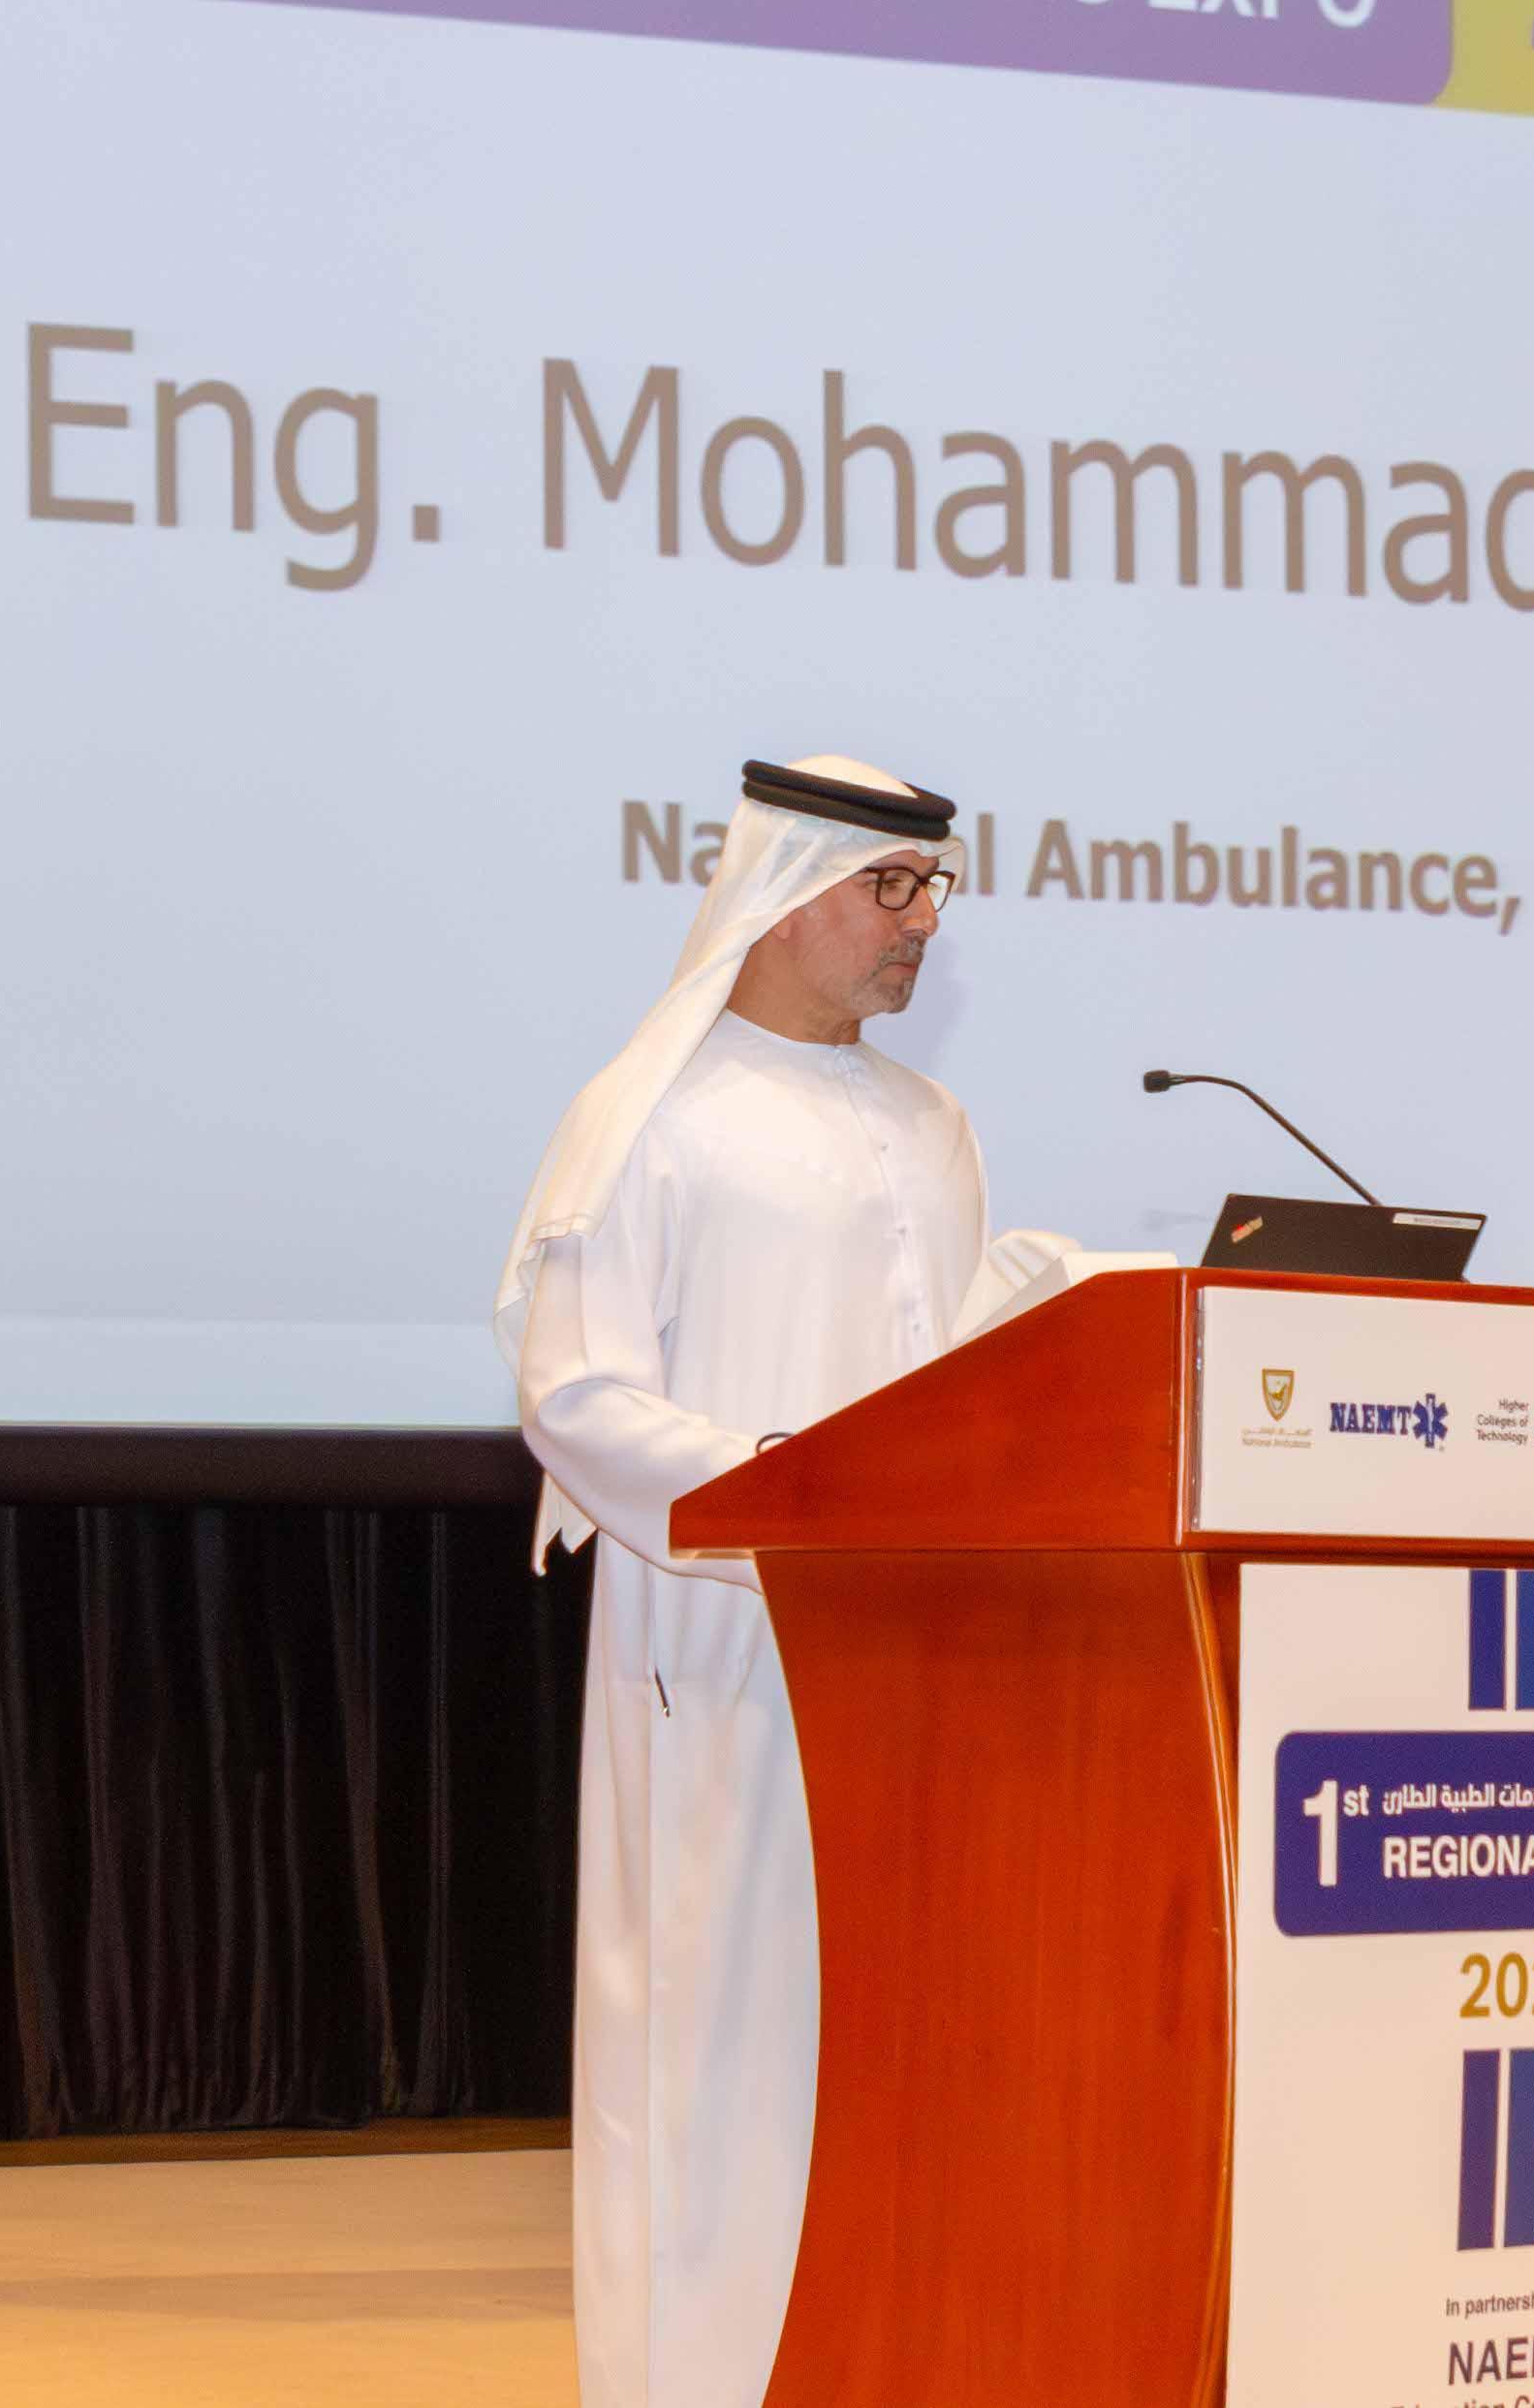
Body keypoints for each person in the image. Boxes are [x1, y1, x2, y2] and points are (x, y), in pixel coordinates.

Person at [492, 753, 986, 2408]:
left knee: (890, 2052)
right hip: (720, 1648)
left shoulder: (933, 1124)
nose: (922, 922)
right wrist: (789, 1491)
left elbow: (959, 1373)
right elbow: (575, 1392)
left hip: (915, 1656)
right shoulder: (656, 1115)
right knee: (716, 2058)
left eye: (932, 886)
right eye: (889, 886)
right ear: (783, 897)